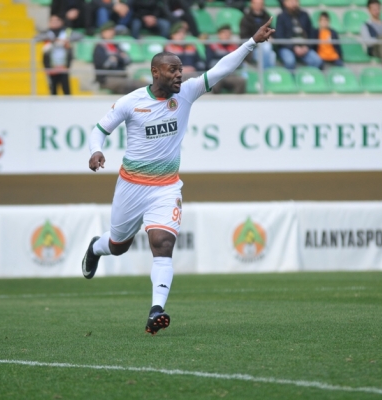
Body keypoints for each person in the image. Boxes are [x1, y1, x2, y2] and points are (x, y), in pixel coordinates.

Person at [81, 18, 275, 335]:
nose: (179, 74)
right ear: (155, 72)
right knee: (117, 246)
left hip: (166, 187)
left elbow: (221, 69)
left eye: (180, 70)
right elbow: (99, 129)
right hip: (131, 186)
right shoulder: (132, 102)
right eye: (172, 70)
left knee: (162, 243)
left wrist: (251, 42)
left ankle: (156, 310)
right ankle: (95, 248)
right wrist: (95, 150)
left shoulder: (186, 93)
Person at [93, 21, 146, 93]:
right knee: (131, 84)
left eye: (112, 30)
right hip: (107, 79)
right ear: (103, 32)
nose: (112, 33)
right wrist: (117, 58)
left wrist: (117, 58)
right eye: (109, 31)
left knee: (139, 85)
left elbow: (127, 60)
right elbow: (106, 64)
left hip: (121, 77)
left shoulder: (116, 45)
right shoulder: (99, 47)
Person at [275, 0, 323, 70]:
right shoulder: (281, 17)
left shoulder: (304, 15)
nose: (294, 4)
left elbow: (311, 33)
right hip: (287, 47)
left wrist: (307, 47)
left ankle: (307, 76)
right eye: (291, 1)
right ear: (285, 3)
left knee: (317, 61)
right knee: (290, 61)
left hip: (304, 47)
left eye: (295, 1)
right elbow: (279, 36)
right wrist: (293, 47)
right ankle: (290, 77)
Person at [40, 15, 81, 96]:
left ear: (61, 22)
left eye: (56, 21)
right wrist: (54, 41)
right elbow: (36, 38)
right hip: (51, 66)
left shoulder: (66, 32)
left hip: (64, 66)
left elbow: (80, 36)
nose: (54, 23)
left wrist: (66, 40)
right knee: (53, 91)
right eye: (52, 21)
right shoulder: (47, 32)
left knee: (66, 90)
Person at [206, 24, 247, 93]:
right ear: (219, 34)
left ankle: (238, 100)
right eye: (224, 33)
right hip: (217, 75)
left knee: (241, 81)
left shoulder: (234, 48)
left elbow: (240, 63)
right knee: (214, 83)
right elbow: (209, 62)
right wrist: (225, 65)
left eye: (228, 33)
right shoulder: (212, 47)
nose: (226, 35)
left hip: (230, 75)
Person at [239, 0, 276, 68]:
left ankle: (267, 73)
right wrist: (256, 40)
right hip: (253, 47)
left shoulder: (266, 16)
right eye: (257, 4)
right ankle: (265, 72)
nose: (259, 6)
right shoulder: (245, 19)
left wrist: (270, 36)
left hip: (265, 42)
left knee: (273, 55)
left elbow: (270, 30)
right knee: (266, 48)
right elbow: (244, 36)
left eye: (261, 4)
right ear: (252, 4)